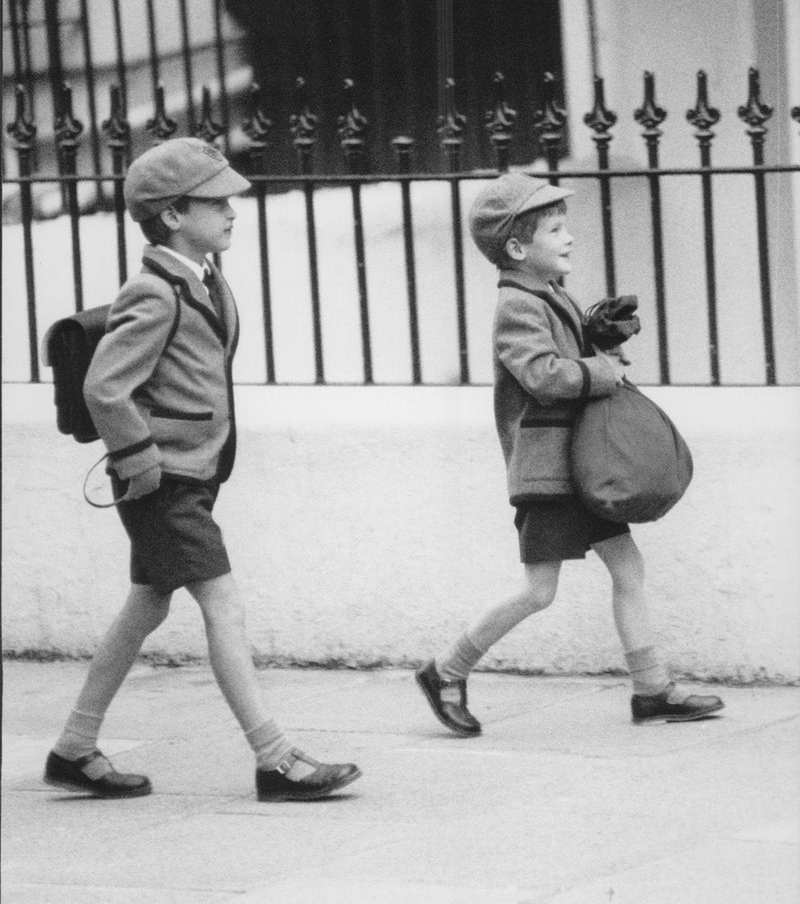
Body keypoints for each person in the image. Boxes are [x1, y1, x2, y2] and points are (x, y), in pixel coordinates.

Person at [44, 137, 361, 801]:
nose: (232, 210)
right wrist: (140, 459)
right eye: (215, 202)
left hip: (193, 472)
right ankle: (274, 757)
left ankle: (73, 746)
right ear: (170, 215)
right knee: (226, 605)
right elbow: (106, 387)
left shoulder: (204, 278)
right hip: (164, 481)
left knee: (147, 606)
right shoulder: (154, 292)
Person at [415, 171, 723, 736]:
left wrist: (599, 336)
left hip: (580, 467)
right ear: (516, 248)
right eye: (556, 229)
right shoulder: (516, 304)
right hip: (549, 473)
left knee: (628, 567)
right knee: (539, 591)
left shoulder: (548, 292)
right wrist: (601, 368)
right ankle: (445, 670)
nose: (570, 237)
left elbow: (568, 358)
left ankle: (651, 688)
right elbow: (540, 374)